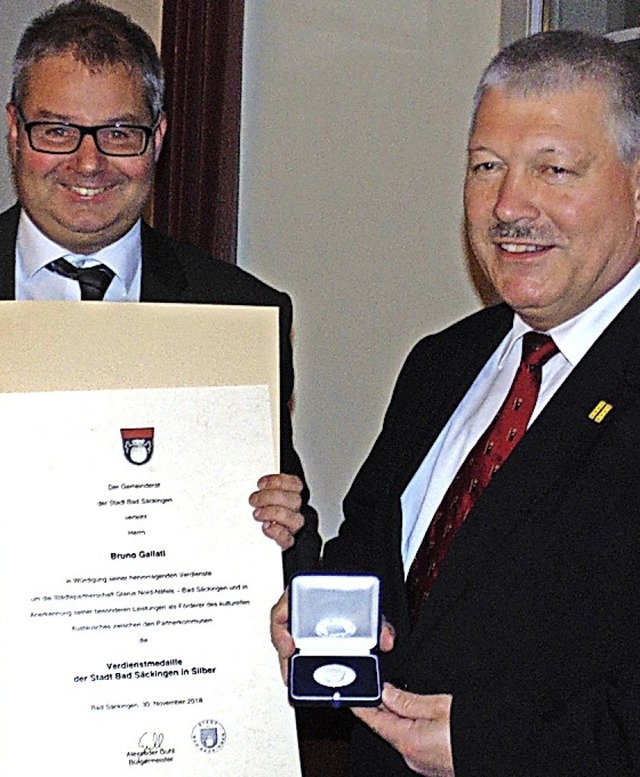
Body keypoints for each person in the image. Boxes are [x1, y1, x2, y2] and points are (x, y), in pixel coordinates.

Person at [272, 29, 640, 776]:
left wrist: (488, 747)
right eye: (486, 167)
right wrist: (310, 611)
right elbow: (373, 561)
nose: (509, 204)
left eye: (555, 168)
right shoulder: (443, 362)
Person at [1, 0, 320, 578]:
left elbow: (288, 550)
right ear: (14, 132)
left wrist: (282, 531)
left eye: (119, 133)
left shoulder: (240, 313)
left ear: (158, 138)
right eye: (57, 131)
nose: (88, 162)